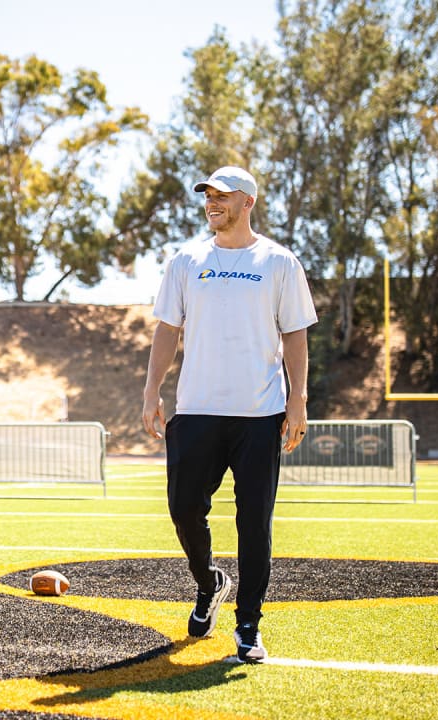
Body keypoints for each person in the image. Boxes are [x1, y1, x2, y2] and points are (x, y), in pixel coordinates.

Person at [141, 166, 317, 664]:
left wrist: (298, 399)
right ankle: (209, 581)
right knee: (183, 509)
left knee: (253, 523)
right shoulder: (186, 260)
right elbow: (166, 330)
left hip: (260, 414)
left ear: (249, 202)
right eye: (208, 195)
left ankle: (248, 626)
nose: (212, 202)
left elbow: (296, 334)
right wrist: (152, 390)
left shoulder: (279, 262)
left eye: (223, 195)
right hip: (196, 409)